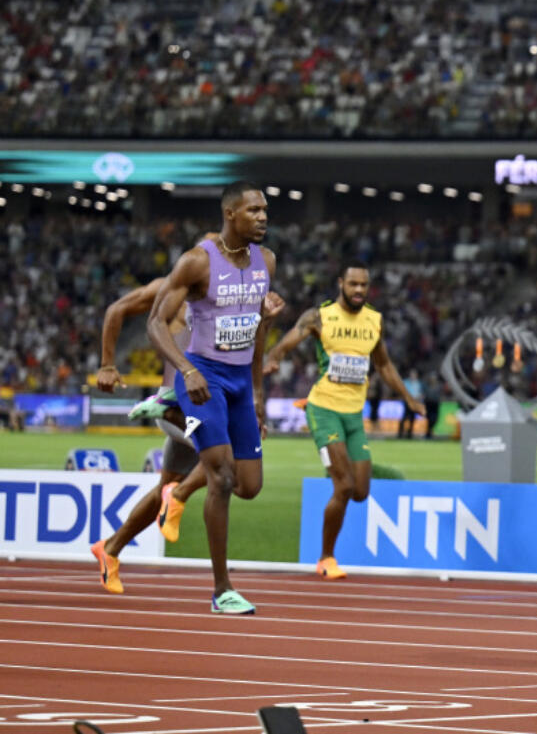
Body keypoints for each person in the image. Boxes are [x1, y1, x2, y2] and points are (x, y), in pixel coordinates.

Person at [89, 269, 284, 595]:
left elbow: (242, 350)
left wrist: (264, 320)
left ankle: (110, 548)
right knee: (232, 455)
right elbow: (116, 309)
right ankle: (178, 497)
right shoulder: (170, 287)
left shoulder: (237, 296)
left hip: (211, 402)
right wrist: (108, 363)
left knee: (166, 488)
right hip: (178, 403)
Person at [147, 181, 277, 614]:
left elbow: (256, 329)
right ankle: (223, 590)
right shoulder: (197, 262)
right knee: (220, 478)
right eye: (253, 210)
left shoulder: (267, 262)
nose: (262, 217)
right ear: (230, 215)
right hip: (204, 378)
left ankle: (176, 494)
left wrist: (258, 391)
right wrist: (186, 369)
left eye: (264, 210)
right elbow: (155, 323)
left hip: (241, 382)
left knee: (249, 486)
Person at [263, 260, 425, 580]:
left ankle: (339, 466)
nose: (359, 290)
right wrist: (274, 357)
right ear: (341, 284)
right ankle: (326, 558)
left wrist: (408, 398)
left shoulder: (374, 322)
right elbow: (289, 341)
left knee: (360, 491)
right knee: (344, 486)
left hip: (354, 414)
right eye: (353, 285)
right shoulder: (319, 316)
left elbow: (385, 365)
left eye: (364, 285)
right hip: (323, 409)